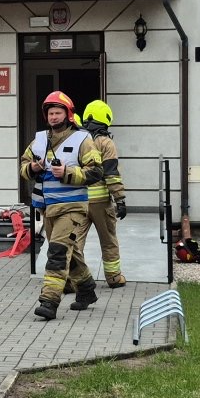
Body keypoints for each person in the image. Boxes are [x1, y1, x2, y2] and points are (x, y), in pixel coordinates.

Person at [20, 91, 105, 320]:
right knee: (69, 250)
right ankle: (86, 289)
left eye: (58, 112)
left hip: (72, 207)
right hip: (47, 208)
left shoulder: (82, 139)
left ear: (68, 115)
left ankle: (49, 301)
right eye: (50, 113)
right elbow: (23, 166)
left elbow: (96, 172)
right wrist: (32, 168)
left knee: (57, 252)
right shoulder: (39, 140)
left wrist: (68, 172)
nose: (53, 117)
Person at [80, 99, 129, 289]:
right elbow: (111, 174)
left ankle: (73, 279)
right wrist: (120, 199)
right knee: (108, 241)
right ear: (106, 118)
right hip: (101, 202)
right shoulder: (106, 143)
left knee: (75, 242)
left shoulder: (78, 140)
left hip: (79, 201)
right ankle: (114, 277)